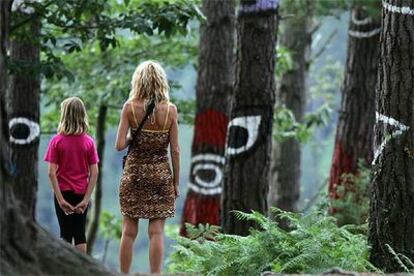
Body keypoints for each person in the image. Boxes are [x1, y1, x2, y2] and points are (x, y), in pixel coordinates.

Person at [116, 60, 180, 274]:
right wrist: (176, 182)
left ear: (138, 81)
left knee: (128, 230)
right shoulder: (170, 110)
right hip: (160, 175)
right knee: (156, 231)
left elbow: (119, 145)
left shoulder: (129, 108)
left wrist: (132, 134)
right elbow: (176, 150)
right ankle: (155, 274)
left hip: (134, 174)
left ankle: (123, 274)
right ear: (161, 81)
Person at [44, 96, 99, 253]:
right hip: (82, 193)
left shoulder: (56, 141)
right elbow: (94, 172)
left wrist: (61, 200)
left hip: (63, 192)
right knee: (80, 234)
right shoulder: (88, 142)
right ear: (82, 115)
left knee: (65, 233)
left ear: (64, 115)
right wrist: (86, 200)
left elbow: (51, 173)